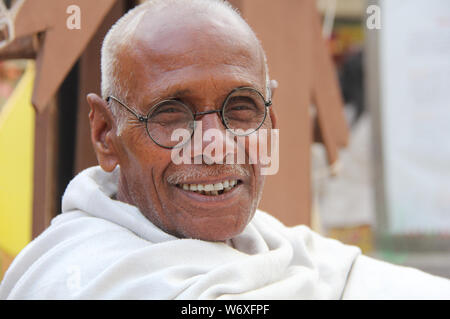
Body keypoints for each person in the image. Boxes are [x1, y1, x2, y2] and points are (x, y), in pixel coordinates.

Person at [1, 0, 449, 299]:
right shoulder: (80, 279)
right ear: (105, 134)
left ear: (271, 122)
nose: (215, 146)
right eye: (172, 113)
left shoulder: (274, 244)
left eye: (240, 109)